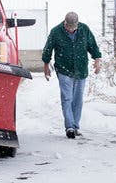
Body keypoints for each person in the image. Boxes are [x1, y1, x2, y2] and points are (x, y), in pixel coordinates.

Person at [42, 11, 101, 139]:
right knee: (67, 97)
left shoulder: (84, 29)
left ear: (77, 24)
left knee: (78, 99)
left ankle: (75, 126)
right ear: (65, 24)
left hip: (80, 69)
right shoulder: (56, 32)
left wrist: (97, 61)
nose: (71, 30)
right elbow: (48, 49)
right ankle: (69, 127)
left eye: (73, 27)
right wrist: (46, 65)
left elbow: (93, 46)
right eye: (69, 27)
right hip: (64, 69)